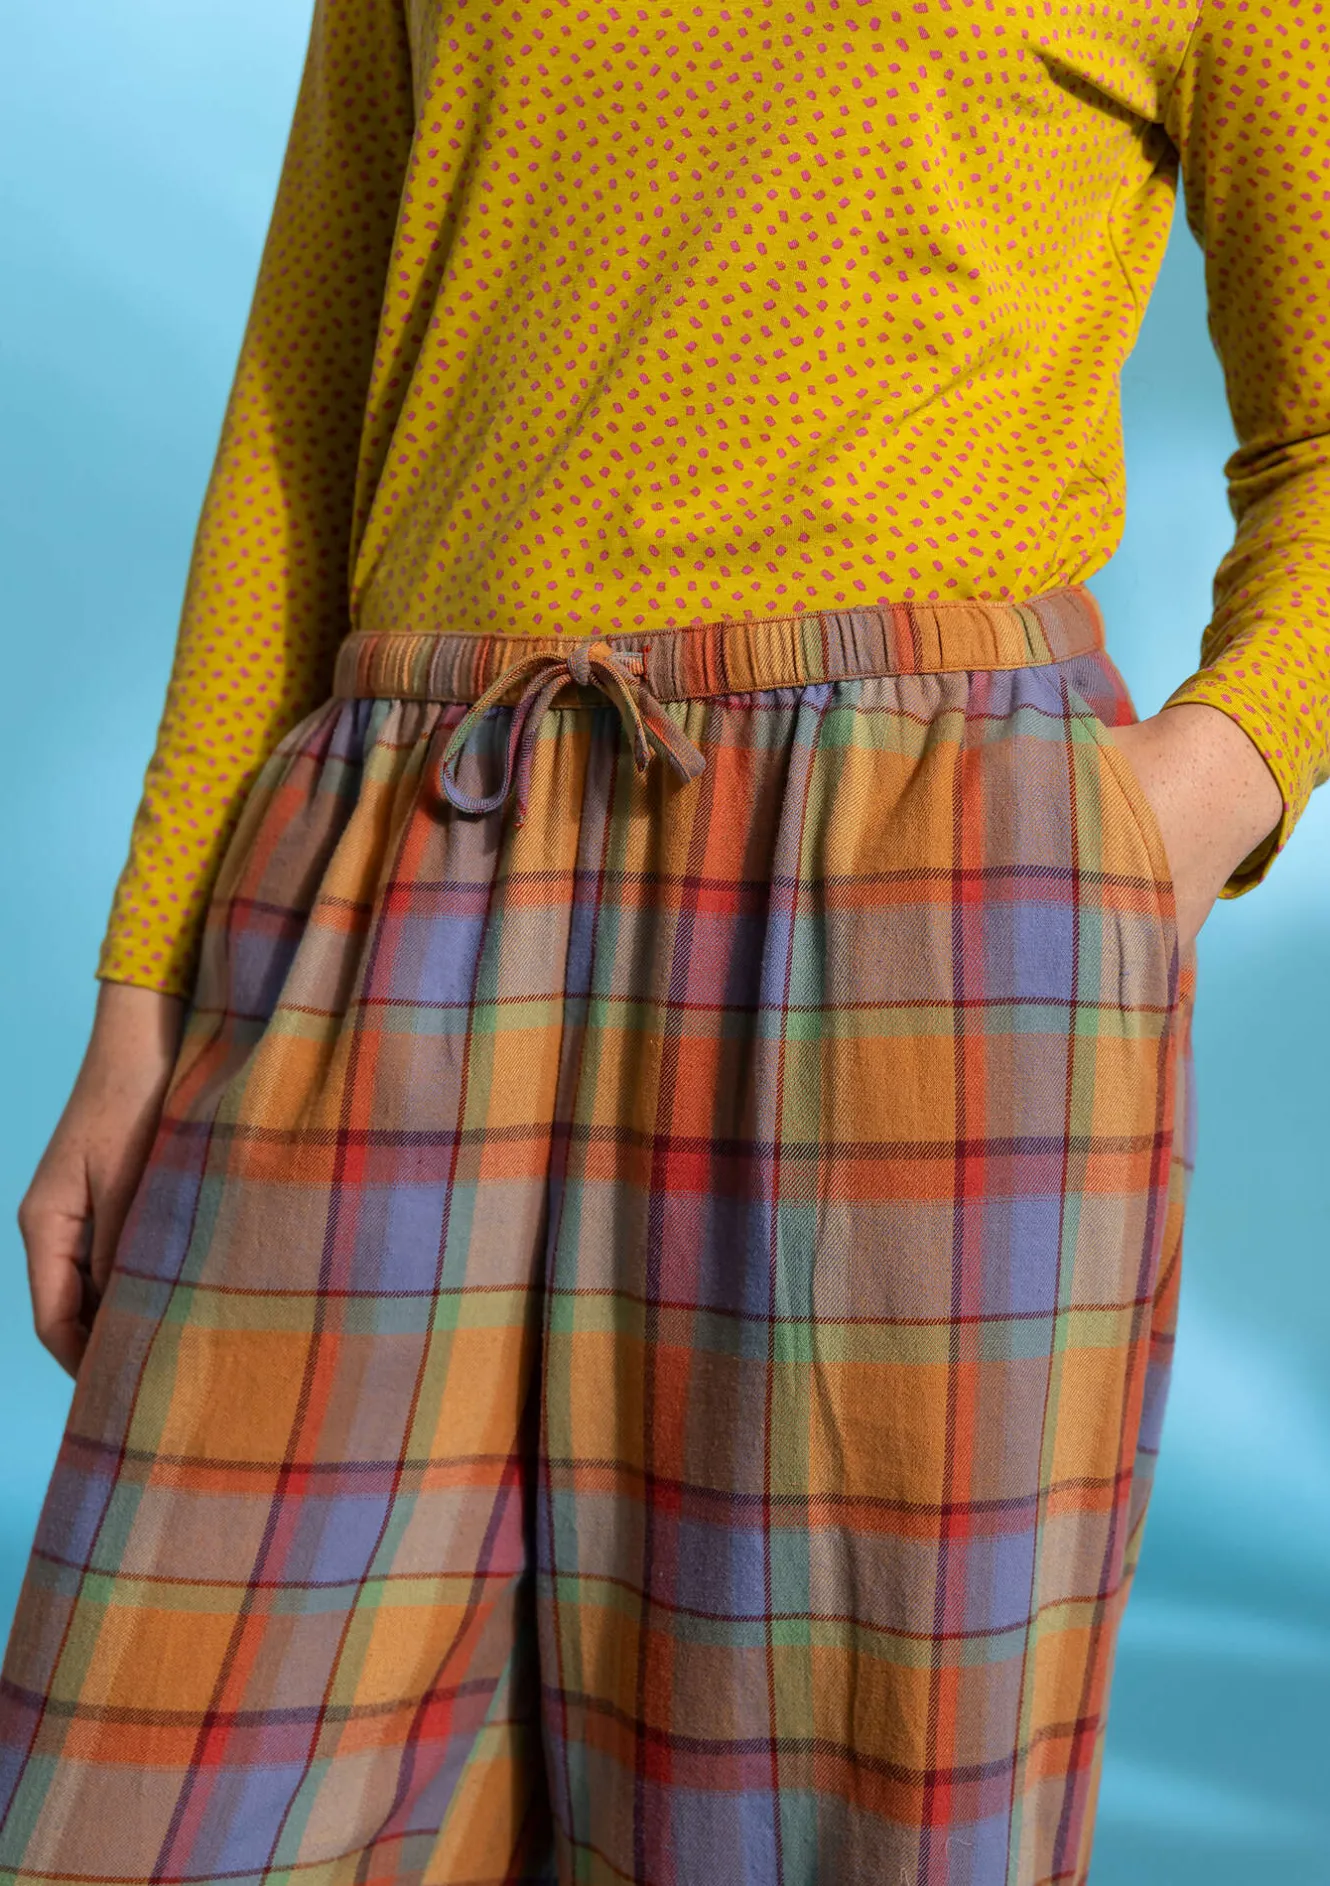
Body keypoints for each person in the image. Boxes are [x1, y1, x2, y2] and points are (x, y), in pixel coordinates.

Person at [2, 0, 1321, 1878]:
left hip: (910, 894)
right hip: (418, 827)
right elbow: (302, 409)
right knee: (157, 1783)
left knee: (821, 1821)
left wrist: (1199, 792)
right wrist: (139, 1000)